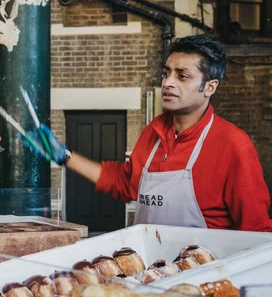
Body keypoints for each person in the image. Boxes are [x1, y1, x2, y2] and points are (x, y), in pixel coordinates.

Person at [22, 35, 272, 231]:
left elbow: (256, 229)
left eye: (182, 76)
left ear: (210, 87)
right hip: (148, 270)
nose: (168, 83)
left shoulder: (233, 145)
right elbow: (124, 183)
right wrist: (63, 155)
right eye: (166, 73)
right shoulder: (153, 133)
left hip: (203, 277)